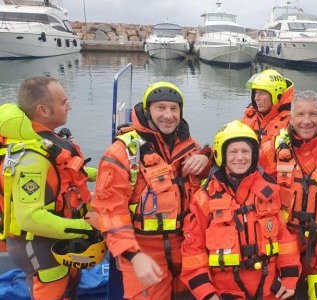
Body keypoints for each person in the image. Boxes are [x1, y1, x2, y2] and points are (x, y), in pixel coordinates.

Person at [91, 81, 212, 299]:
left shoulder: (189, 147)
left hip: (186, 250)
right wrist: (134, 255)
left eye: (174, 109)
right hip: (143, 253)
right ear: (147, 111)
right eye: (161, 108)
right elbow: (110, 212)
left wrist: (206, 159)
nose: (168, 115)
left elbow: (212, 183)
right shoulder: (121, 153)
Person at [0, 76, 99, 299]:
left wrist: (106, 174)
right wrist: (86, 227)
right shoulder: (31, 160)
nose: (70, 106)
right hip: (39, 247)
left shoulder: (45, 143)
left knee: (68, 291)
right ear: (43, 110)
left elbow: (65, 174)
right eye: (64, 102)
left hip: (58, 240)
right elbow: (30, 218)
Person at [181, 120, 301, 299]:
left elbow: (285, 239)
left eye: (245, 151)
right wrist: (206, 294)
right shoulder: (204, 198)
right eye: (233, 152)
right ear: (222, 155)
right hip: (224, 294)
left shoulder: (269, 192)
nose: (240, 157)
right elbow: (193, 250)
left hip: (270, 292)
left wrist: (290, 279)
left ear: (253, 155)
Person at [259, 91, 317, 299]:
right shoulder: (270, 151)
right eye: (300, 115)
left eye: (313, 114)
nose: (307, 121)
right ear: (291, 118)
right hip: (282, 247)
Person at [242, 69, 294, 146]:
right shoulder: (250, 117)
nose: (256, 98)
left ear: (276, 96)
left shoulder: (290, 123)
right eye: (255, 93)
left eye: (262, 93)